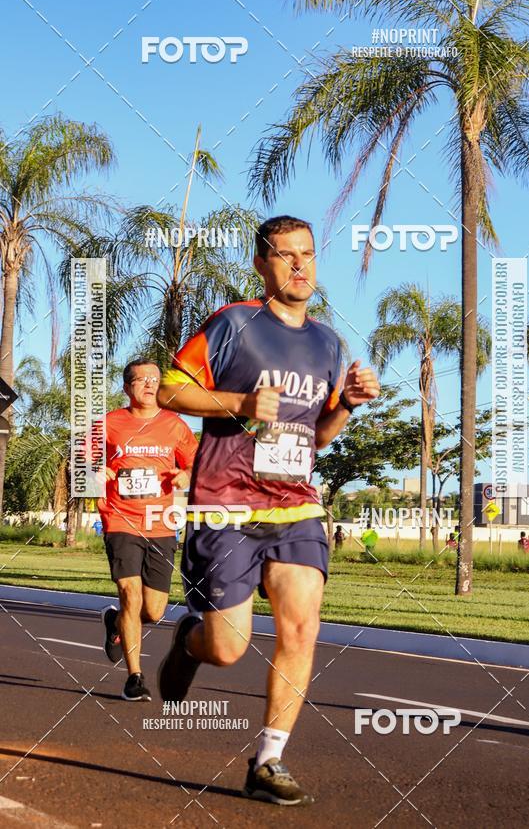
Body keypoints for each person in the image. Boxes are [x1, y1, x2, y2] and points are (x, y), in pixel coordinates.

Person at [156, 215, 380, 806]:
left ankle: (268, 758)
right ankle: (189, 643)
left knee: (302, 627)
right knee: (228, 647)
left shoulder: (329, 343)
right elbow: (169, 391)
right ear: (262, 264)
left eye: (308, 254)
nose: (301, 266)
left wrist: (349, 405)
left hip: (295, 504)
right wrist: (239, 401)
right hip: (225, 502)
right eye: (287, 256)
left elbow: (320, 434)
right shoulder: (235, 324)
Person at [96, 359, 198, 702]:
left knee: (153, 610)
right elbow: (82, 461)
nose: (150, 384)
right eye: (141, 380)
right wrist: (97, 473)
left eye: (154, 379)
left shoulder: (174, 425)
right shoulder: (109, 423)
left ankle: (117, 624)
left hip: (160, 521)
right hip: (119, 518)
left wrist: (185, 474)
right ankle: (134, 678)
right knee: (129, 593)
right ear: (127, 387)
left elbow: (195, 460)